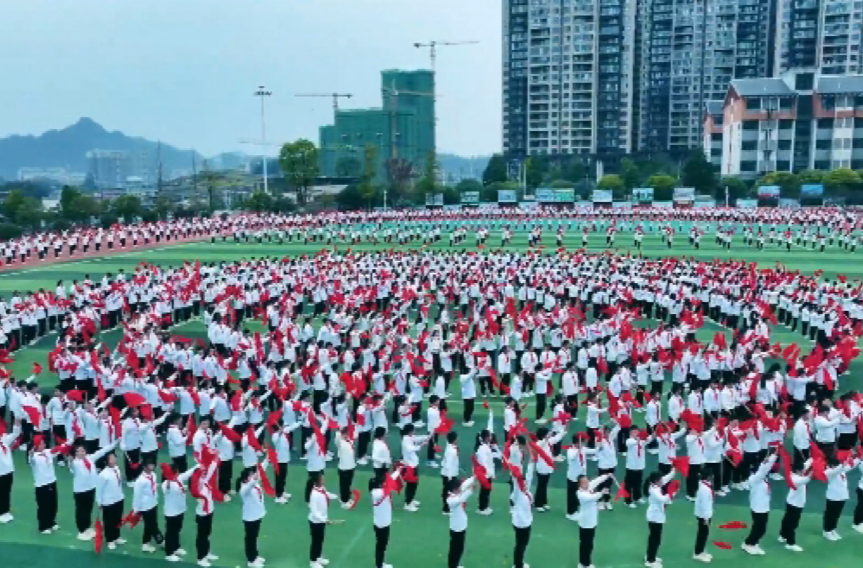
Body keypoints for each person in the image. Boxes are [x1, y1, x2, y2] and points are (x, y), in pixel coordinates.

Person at [70, 440, 117, 540]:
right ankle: (81, 530)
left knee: (88, 509)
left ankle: (87, 527)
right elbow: (72, 466)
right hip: (80, 490)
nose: (81, 453)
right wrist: (70, 460)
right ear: (76, 453)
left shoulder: (90, 458)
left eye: (82, 450)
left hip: (90, 488)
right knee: (81, 510)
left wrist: (115, 442)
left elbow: (102, 451)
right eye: (78, 451)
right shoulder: (75, 463)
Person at [161, 462, 199, 562]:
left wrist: (198, 465)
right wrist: (168, 478)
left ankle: (176, 547)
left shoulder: (179, 479)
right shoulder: (166, 483)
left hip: (180, 510)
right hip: (171, 512)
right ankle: (169, 553)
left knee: (177, 530)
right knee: (170, 532)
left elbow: (188, 473)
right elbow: (167, 488)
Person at [29, 434, 66, 534]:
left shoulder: (47, 452)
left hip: (52, 481)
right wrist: (31, 454)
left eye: (43, 442)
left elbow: (57, 450)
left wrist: (67, 443)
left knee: (53, 504)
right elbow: (31, 459)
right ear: (36, 445)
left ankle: (52, 522)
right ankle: (43, 526)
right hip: (41, 485)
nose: (43, 444)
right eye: (41, 443)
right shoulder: (35, 457)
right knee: (43, 506)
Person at [742, 452, 778, 555]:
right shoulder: (755, 479)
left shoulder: (762, 478)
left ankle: (751, 542)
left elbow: (764, 469)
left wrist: (769, 458)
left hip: (764, 507)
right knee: (760, 528)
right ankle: (749, 544)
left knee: (760, 527)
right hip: (758, 508)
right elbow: (763, 470)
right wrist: (773, 457)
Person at [576, 472, 611, 568]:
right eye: (584, 482)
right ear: (579, 485)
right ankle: (584, 564)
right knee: (586, 544)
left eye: (586, 481)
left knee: (589, 543)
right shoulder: (581, 494)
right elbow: (591, 498)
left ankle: (584, 562)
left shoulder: (588, 487)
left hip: (592, 521)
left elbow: (596, 481)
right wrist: (602, 492)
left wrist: (606, 476)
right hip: (586, 522)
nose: (587, 483)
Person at [190, 461, 220, 567]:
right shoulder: (197, 489)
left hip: (209, 512)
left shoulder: (206, 483)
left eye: (204, 473)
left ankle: (206, 552)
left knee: (207, 534)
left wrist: (214, 460)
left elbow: (211, 470)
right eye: (202, 473)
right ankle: (200, 557)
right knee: (201, 536)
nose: (204, 474)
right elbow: (196, 492)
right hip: (202, 515)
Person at [778, 459, 812, 552]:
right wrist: (815, 470)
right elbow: (807, 478)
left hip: (791, 502)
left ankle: (782, 535)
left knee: (786, 520)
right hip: (796, 504)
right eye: (802, 470)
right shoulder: (796, 479)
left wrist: (813, 459)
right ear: (797, 470)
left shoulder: (795, 473)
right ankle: (790, 543)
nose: (803, 471)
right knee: (793, 524)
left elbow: (806, 465)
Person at [644, 469, 676, 567]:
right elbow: (663, 499)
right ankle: (650, 560)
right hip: (655, 517)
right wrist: (672, 493)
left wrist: (674, 469)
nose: (662, 481)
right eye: (660, 479)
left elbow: (667, 478)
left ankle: (650, 555)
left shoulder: (656, 485)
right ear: (656, 481)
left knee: (654, 538)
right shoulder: (653, 490)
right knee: (655, 539)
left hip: (656, 516)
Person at [370, 469, 402, 568]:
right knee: (381, 546)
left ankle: (380, 563)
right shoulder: (377, 493)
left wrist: (398, 470)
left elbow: (391, 479)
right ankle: (379, 565)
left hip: (383, 523)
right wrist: (387, 483)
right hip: (381, 525)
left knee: (382, 546)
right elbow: (387, 487)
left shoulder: (380, 490)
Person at [96, 452, 127, 550]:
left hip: (119, 498)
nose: (114, 459)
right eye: (111, 458)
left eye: (114, 457)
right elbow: (99, 489)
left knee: (118, 519)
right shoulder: (103, 474)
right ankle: (110, 540)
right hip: (108, 501)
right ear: (107, 461)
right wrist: (99, 502)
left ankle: (117, 536)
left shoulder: (117, 469)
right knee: (109, 521)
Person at [238, 465, 267, 568]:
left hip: (257, 514)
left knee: (255, 537)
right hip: (250, 518)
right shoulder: (244, 489)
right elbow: (250, 484)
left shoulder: (254, 484)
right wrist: (254, 479)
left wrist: (267, 459)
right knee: (250, 538)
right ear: (246, 478)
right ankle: (251, 560)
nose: (253, 476)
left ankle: (255, 555)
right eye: (250, 475)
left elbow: (261, 469)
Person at [823, 455, 857, 541]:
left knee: (837, 515)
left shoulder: (841, 471)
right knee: (830, 514)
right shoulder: (829, 471)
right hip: (833, 497)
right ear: (831, 465)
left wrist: (858, 458)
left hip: (842, 496)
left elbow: (851, 466)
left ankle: (833, 529)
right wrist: (842, 465)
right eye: (835, 465)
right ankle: (827, 530)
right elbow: (836, 470)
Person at [308, 471, 338, 568]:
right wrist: (324, 520)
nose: (323, 479)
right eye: (322, 478)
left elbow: (326, 494)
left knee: (320, 540)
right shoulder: (314, 495)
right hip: (316, 522)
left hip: (322, 520)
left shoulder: (321, 489)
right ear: (317, 481)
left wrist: (335, 497)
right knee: (316, 541)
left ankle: (318, 556)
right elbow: (314, 512)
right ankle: (313, 561)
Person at [446, 476, 478, 568]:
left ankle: (455, 564)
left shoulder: (456, 493)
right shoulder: (451, 500)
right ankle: (453, 566)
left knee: (459, 548)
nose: (461, 488)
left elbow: (464, 485)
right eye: (459, 488)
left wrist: (474, 477)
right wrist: (470, 491)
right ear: (455, 489)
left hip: (460, 527)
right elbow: (460, 499)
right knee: (456, 549)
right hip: (457, 528)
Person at [132, 460, 164, 552]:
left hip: (153, 503)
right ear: (144, 467)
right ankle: (161, 541)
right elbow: (137, 496)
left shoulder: (153, 475)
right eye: (150, 464)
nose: (152, 466)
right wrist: (136, 510)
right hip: (145, 507)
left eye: (152, 464)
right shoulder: (140, 481)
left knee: (149, 525)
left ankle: (146, 543)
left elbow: (153, 486)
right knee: (152, 525)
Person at [510, 459, 535, 568]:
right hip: (521, 523)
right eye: (523, 483)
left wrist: (531, 462)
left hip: (527, 521)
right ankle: (517, 564)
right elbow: (516, 484)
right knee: (520, 545)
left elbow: (529, 476)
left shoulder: (527, 491)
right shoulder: (518, 493)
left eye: (525, 483)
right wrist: (515, 476)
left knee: (523, 544)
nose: (525, 484)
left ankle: (519, 562)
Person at [0, 420, 21, 524]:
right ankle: (1, 512)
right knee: (1, 493)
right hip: (0, 473)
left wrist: (16, 425)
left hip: (8, 471)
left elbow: (15, 434)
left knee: (7, 492)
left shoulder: (4, 440)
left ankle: (6, 511)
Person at [693, 467, 714, 563]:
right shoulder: (704, 489)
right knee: (702, 534)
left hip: (704, 514)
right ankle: (698, 553)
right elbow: (705, 505)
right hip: (703, 516)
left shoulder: (705, 485)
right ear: (709, 477)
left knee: (704, 534)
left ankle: (701, 550)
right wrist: (706, 518)